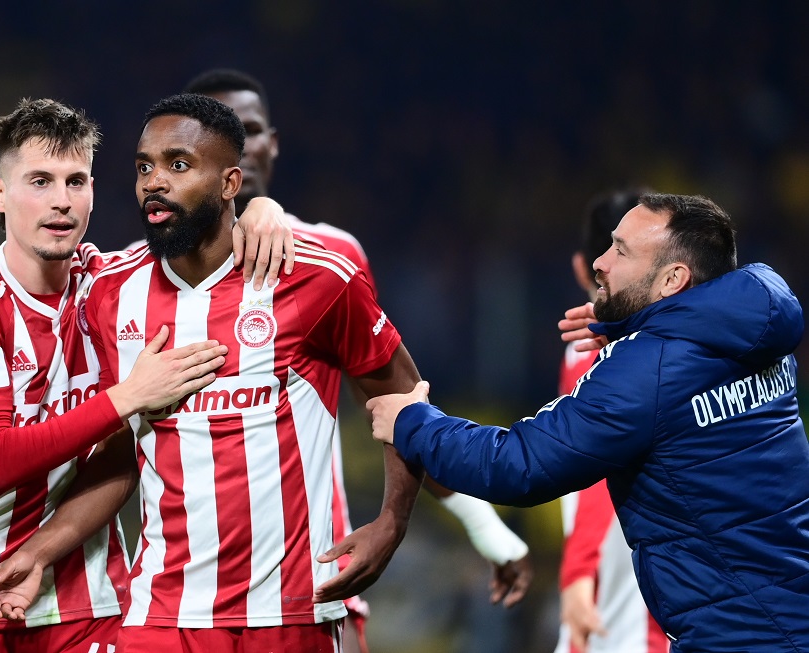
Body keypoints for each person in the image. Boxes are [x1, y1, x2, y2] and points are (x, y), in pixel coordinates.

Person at [0, 93, 426, 652]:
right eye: (144, 167)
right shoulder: (110, 294)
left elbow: (405, 396)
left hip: (289, 615)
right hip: (161, 617)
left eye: (179, 165)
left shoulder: (315, 279)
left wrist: (392, 521)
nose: (155, 182)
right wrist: (40, 551)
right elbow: (121, 453)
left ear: (230, 182)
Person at [0, 97, 294, 652]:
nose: (61, 201)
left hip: (95, 599)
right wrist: (126, 397)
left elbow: (208, 238)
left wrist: (262, 209)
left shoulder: (117, 289)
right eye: (40, 182)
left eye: (76, 182)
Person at [178, 67, 533, 651]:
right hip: (176, 606)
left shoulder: (331, 256)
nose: (239, 145)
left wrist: (481, 523)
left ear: (274, 143)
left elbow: (395, 402)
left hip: (310, 593)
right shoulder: (140, 276)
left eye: (251, 130)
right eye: (221, 132)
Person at [368, 193, 809, 652]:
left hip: (740, 637)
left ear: (673, 279)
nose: (600, 261)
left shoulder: (645, 370)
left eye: (621, 251)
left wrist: (413, 422)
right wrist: (637, 323)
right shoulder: (760, 330)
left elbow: (518, 465)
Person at [553, 188, 668, 653]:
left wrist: (577, 573)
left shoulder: (604, 353)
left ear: (583, 267)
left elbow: (598, 466)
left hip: (624, 564)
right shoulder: (683, 343)